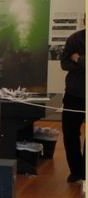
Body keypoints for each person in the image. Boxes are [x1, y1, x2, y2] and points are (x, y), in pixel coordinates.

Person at [60, 24, 85, 183]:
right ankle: (76, 171)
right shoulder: (74, 39)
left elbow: (73, 62)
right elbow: (64, 63)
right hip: (74, 94)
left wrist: (79, 59)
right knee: (70, 133)